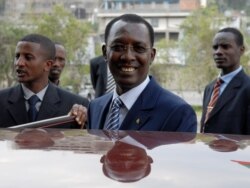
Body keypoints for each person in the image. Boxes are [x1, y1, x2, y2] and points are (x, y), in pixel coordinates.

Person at [87, 14, 197, 132]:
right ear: (105, 52)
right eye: (118, 47)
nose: (128, 57)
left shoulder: (178, 114)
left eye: (139, 48)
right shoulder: (95, 107)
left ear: (152, 56)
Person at [0, 34, 89, 128]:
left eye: (28, 57)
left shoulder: (76, 107)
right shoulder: (1, 101)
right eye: (17, 56)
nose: (19, 63)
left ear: (47, 65)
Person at [200, 27, 250, 134]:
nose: (218, 52)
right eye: (215, 47)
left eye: (225, 47)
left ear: (241, 50)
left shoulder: (247, 88)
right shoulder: (209, 88)